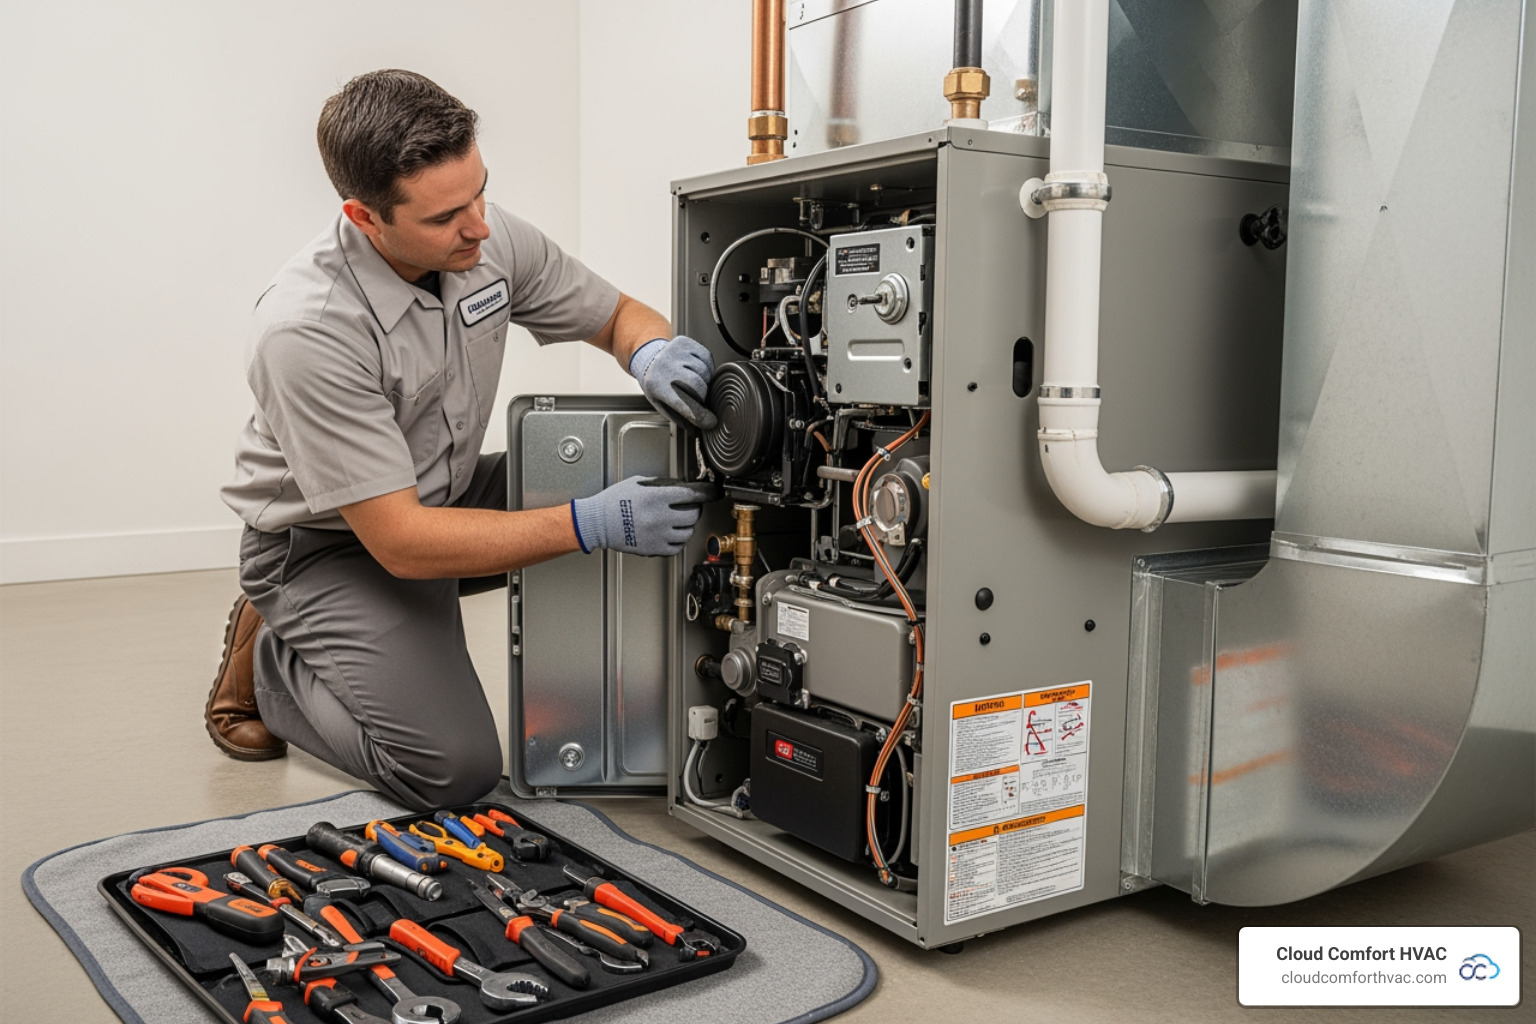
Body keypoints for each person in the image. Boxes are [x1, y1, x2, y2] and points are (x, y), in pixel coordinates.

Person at [207, 69, 718, 810]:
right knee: (455, 772)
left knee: (649, 469)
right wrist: (588, 525)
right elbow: (403, 543)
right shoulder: (308, 330)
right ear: (364, 216)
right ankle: (270, 665)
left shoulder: (482, 235)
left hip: (439, 494)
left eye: (480, 191)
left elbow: (616, 316)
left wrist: (650, 352)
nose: (479, 225)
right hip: (329, 546)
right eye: (447, 215)